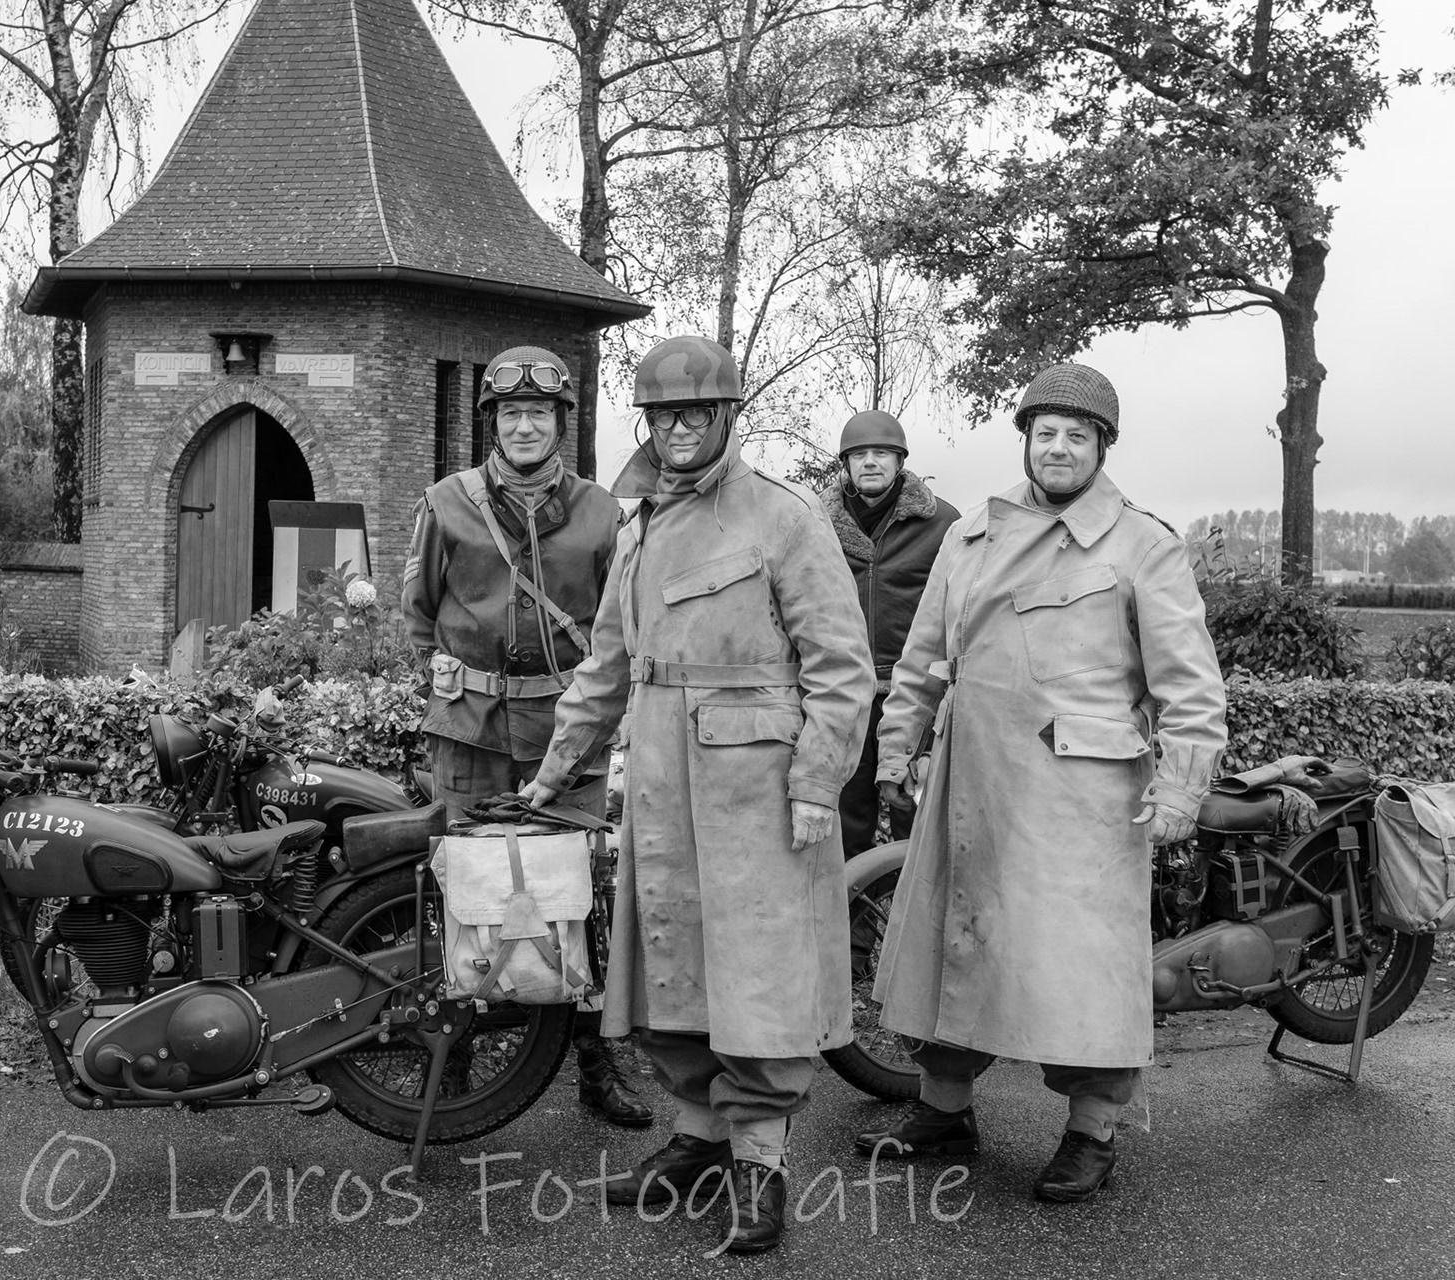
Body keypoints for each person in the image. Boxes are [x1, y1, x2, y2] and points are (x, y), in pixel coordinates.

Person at [519, 335, 873, 1254]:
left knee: (759, 974)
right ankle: (698, 1138)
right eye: (663, 415)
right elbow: (606, 666)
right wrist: (554, 774)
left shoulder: (785, 518)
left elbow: (841, 669)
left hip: (759, 788)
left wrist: (817, 783)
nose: (677, 430)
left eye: (695, 414)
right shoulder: (637, 527)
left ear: (726, 416)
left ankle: (761, 1159)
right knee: (667, 963)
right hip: (664, 786)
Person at [856, 362, 1226, 1204]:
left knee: (1083, 969)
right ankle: (943, 1107)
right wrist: (895, 747)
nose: (1059, 448)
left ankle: (1092, 1130)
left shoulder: (1145, 545)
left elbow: (1191, 690)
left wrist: (1179, 791)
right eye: (1045, 432)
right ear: (1025, 440)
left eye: (1078, 435)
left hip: (1083, 799)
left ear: (1102, 447)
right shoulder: (971, 535)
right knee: (954, 942)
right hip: (971, 782)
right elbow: (921, 659)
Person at [401, 345, 651, 1129]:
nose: (525, 427)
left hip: (565, 736)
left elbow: (621, 628)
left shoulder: (603, 515)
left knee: (578, 897)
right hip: (468, 734)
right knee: (465, 890)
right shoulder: (447, 504)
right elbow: (416, 616)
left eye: (539, 414)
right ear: (493, 424)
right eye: (510, 414)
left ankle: (593, 1062)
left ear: (562, 423)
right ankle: (459, 1058)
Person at [817, 409, 960, 858]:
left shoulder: (943, 525)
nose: (870, 462)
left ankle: (914, 920)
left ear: (901, 461)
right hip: (845, 688)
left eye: (882, 453)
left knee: (916, 817)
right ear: (846, 463)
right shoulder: (816, 524)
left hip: (916, 692)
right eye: (859, 454)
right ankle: (851, 923)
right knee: (845, 819)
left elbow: (960, 608)